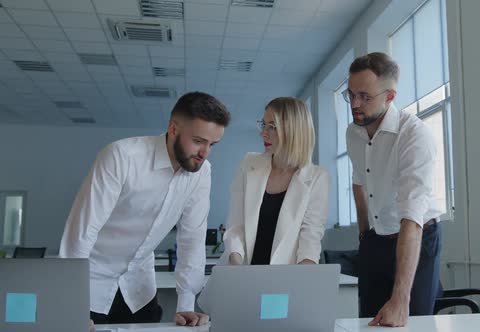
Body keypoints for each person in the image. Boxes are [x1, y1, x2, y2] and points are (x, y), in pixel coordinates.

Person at [59, 91, 230, 328]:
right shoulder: (121, 156)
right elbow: (81, 232)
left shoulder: (202, 172)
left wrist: (186, 305)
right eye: (199, 141)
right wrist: (70, 304)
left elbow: (192, 237)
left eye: (213, 144)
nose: (205, 153)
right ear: (173, 129)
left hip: (138, 291)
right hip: (90, 287)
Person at [344, 52, 442, 327]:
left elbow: (411, 216)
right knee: (369, 320)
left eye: (364, 96)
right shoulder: (353, 132)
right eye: (350, 94)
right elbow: (358, 180)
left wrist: (401, 298)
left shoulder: (414, 135)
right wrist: (365, 235)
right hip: (377, 237)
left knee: (408, 321)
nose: (354, 104)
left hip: (417, 236)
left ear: (389, 97)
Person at [222, 97, 330, 266]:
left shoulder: (317, 178)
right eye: (263, 124)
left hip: (286, 279)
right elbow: (236, 226)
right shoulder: (249, 164)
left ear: (294, 131)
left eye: (272, 127)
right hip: (243, 270)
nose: (263, 133)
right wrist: (237, 269)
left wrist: (302, 283)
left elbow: (310, 238)